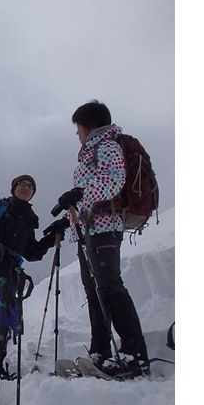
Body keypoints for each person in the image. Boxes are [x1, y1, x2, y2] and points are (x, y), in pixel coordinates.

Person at [54, 100, 150, 377]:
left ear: (89, 126)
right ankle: (100, 352)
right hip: (89, 229)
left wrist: (79, 194)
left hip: (105, 227)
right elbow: (92, 193)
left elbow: (112, 181)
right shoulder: (89, 153)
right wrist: (67, 222)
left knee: (109, 287)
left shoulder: (106, 146)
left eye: (78, 128)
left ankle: (135, 356)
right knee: (95, 292)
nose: (77, 134)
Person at [0, 175, 66, 377]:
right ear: (14, 188)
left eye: (30, 187)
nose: (26, 188)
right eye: (22, 184)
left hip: (11, 276)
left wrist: (51, 237)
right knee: (1, 319)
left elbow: (32, 253)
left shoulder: (29, 220)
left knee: (8, 320)